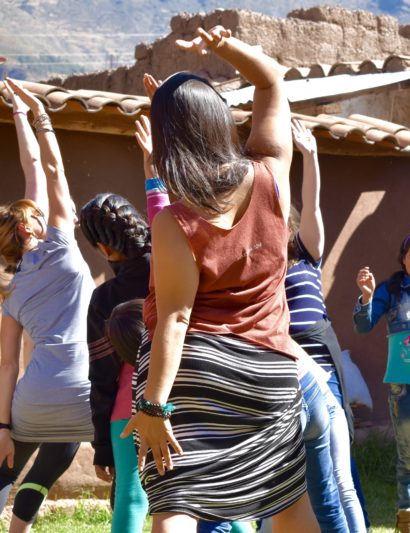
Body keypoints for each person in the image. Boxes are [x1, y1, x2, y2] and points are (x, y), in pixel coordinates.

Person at [121, 27, 318, 532]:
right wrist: (224, 49)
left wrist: (153, 406)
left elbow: (176, 318)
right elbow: (272, 82)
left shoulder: (176, 222)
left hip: (196, 373)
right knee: (291, 508)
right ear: (221, 122)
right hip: (270, 372)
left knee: (176, 502)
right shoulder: (272, 176)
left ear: (167, 140)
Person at [0, 78, 95, 533]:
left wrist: (1, 427)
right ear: (27, 229)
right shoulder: (62, 245)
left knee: (5, 472)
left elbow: (5, 366)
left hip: (31, 399)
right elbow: (46, 169)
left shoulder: (13, 289)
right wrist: (36, 114)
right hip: (78, 395)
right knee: (48, 467)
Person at [287, 118, 366, 532]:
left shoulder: (306, 254)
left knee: (340, 477)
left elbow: (312, 205)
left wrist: (309, 155)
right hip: (284, 368)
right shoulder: (258, 267)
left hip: (321, 367)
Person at [353, 228, 410, 532]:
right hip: (403, 387)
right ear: (404, 259)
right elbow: (364, 327)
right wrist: (367, 297)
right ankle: (408, 519)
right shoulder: (390, 290)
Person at [80, 194, 151, 533]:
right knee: (214, 500)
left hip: (129, 406)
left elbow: (103, 377)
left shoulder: (105, 298)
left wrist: (102, 448)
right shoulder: (176, 265)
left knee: (131, 497)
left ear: (105, 250)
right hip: (192, 396)